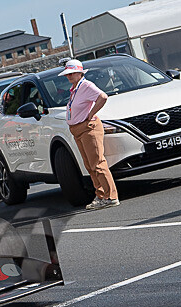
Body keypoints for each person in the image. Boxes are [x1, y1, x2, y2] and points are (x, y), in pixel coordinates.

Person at [59, 59, 119, 210]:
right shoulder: (77, 88)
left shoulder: (86, 85)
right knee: (90, 165)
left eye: (72, 73)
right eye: (67, 74)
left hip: (88, 128)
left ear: (80, 72)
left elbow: (103, 97)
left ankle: (110, 196)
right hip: (79, 129)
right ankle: (101, 195)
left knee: (97, 163)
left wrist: (91, 114)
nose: (69, 76)